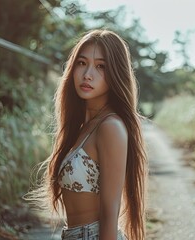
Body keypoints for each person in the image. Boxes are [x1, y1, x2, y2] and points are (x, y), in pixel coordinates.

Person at [28, 29, 147, 240]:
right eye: (82, 63)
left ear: (115, 73)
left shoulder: (110, 127)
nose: (87, 74)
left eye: (100, 66)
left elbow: (110, 213)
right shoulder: (86, 125)